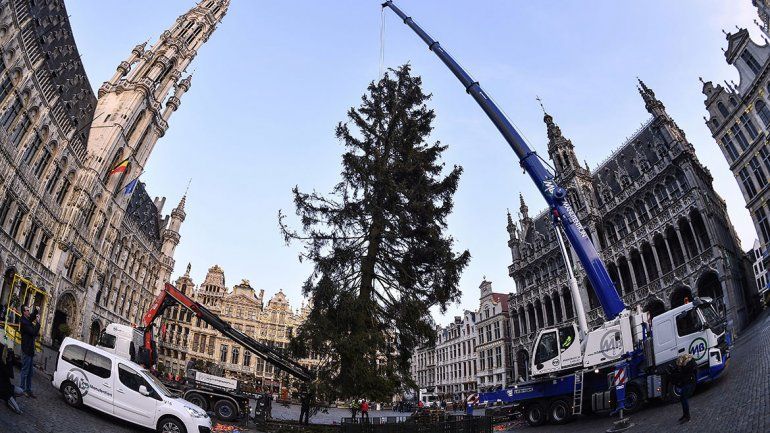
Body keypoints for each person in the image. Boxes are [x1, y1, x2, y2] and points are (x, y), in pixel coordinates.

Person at [669, 353, 697, 423]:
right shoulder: (689, 364)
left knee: (684, 399)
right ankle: (685, 415)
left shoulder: (687, 366)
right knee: (683, 398)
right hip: (688, 382)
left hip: (689, 383)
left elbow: (683, 375)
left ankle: (687, 416)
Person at [19, 306, 39, 398]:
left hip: (30, 350)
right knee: (25, 371)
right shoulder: (23, 321)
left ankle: (29, 390)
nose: (28, 312)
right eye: (27, 310)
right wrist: (38, 323)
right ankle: (22, 389)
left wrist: (36, 311)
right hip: (26, 350)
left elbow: (32, 317)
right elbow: (33, 332)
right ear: (23, 312)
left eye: (29, 310)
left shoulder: (27, 319)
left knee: (30, 372)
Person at [0, 346, 23, 414]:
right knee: (17, 410)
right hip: (3, 388)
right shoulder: (2, 363)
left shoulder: (7, 358)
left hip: (7, 386)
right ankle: (7, 399)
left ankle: (8, 399)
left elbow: (15, 363)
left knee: (20, 391)